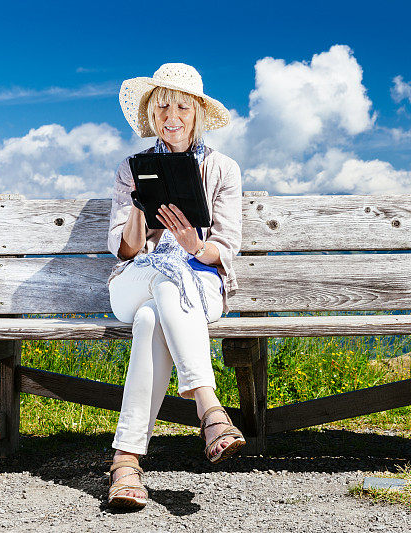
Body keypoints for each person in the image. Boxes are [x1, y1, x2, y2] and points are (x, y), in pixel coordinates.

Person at [105, 63, 244, 510]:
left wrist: (193, 244)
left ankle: (125, 462)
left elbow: (228, 246)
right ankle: (209, 408)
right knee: (161, 279)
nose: (172, 116)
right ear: (151, 112)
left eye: (182, 106)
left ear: (197, 112)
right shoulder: (132, 169)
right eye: (163, 106)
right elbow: (125, 252)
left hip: (198, 282)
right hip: (136, 279)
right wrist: (139, 205)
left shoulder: (223, 169)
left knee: (152, 318)